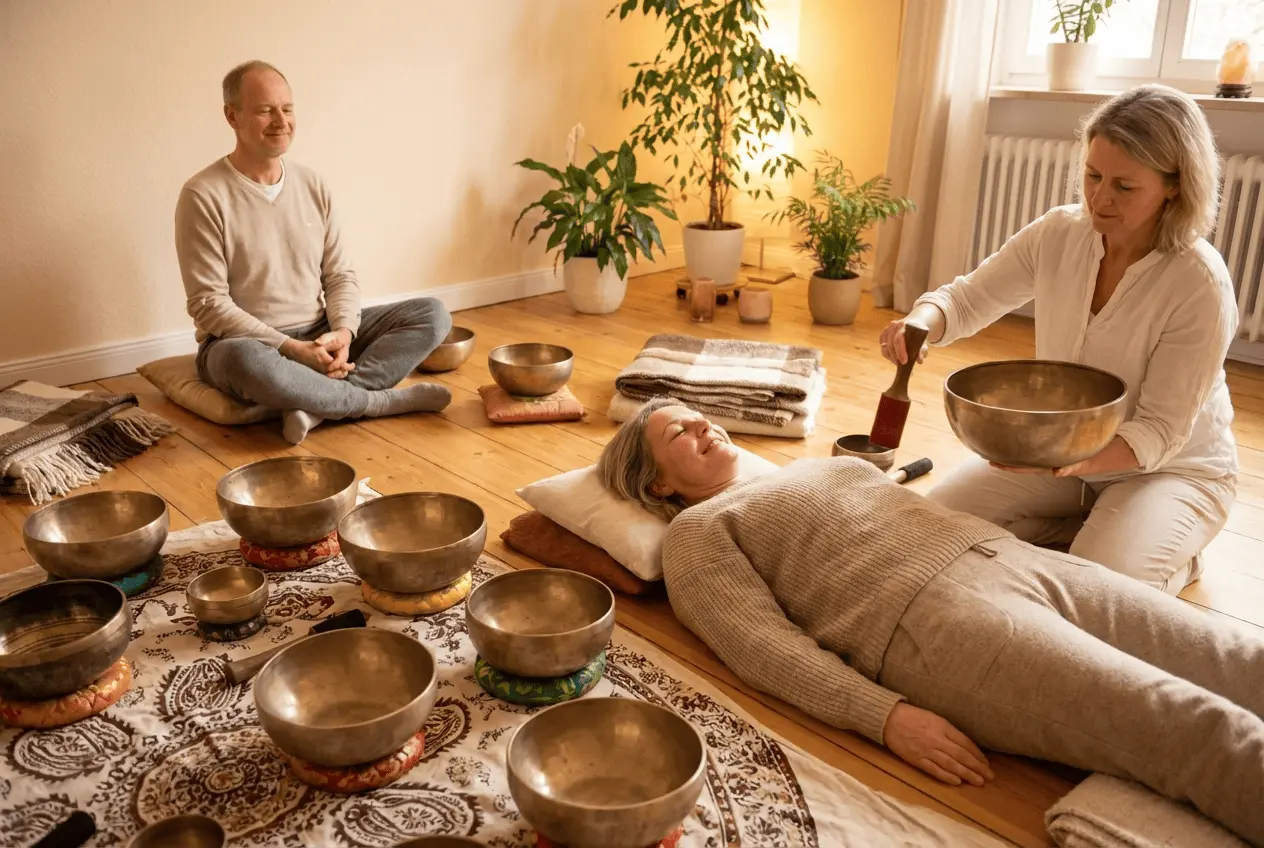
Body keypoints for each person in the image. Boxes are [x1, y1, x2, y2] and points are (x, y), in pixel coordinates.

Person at [597, 397, 1264, 846]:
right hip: (939, 627)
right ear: (658, 485)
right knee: (1189, 723)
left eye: (697, 417)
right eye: (677, 435)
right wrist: (885, 716)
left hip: (1011, 557)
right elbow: (760, 646)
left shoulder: (813, 464)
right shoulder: (697, 531)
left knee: (1236, 653)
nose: (703, 427)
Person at [877, 84, 1239, 595]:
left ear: (1174, 186)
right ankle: (1083, 534)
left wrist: (1069, 461)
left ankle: (1173, 561)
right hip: (1061, 454)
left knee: (1091, 593)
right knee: (932, 528)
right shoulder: (1059, 233)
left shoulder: (1198, 281)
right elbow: (964, 300)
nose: (1100, 197)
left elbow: (1158, 432)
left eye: (1125, 186)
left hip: (1169, 472)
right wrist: (921, 320)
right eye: (1092, 175)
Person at [174, 60, 453, 445]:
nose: (280, 121)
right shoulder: (202, 194)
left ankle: (315, 405)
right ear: (232, 116)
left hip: (317, 332)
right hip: (244, 345)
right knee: (244, 361)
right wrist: (289, 348)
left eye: (287, 109)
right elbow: (208, 304)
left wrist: (342, 332)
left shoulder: (312, 184)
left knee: (432, 314)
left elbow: (340, 276)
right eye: (264, 110)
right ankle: (376, 402)